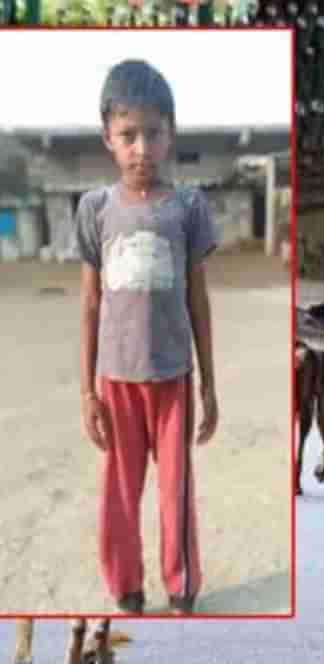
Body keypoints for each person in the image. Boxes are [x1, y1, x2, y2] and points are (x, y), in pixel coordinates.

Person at [77, 58, 219, 615]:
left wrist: (208, 384)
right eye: (128, 136)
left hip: (173, 379)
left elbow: (198, 299)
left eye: (153, 134)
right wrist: (87, 391)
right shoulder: (96, 209)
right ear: (108, 139)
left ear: (172, 134)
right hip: (116, 380)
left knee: (174, 493)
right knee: (119, 491)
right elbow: (90, 303)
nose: (142, 149)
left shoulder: (188, 207)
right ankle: (127, 587)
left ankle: (181, 587)